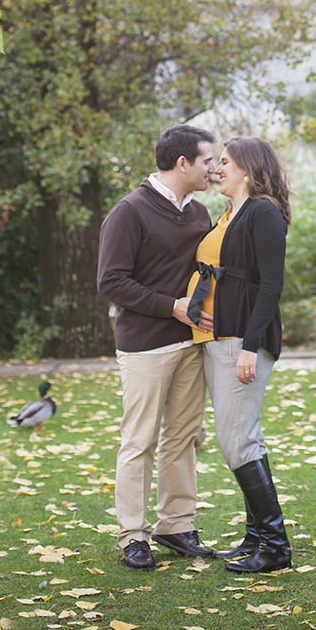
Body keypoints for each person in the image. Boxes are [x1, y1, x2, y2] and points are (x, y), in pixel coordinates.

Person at [96, 124, 221, 570]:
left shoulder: (200, 213)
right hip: (146, 347)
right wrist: (173, 307)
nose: (214, 167)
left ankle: (176, 526)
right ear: (182, 163)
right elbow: (111, 282)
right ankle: (133, 534)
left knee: (183, 438)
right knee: (139, 441)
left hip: (191, 343)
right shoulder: (128, 212)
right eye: (208, 160)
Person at [186, 135, 293, 573]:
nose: (217, 169)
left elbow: (271, 284)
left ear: (247, 168)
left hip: (241, 341)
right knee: (242, 436)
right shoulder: (230, 213)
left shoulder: (263, 211)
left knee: (237, 441)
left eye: (224, 162)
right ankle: (255, 539)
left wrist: (251, 345)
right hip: (219, 338)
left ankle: (275, 547)